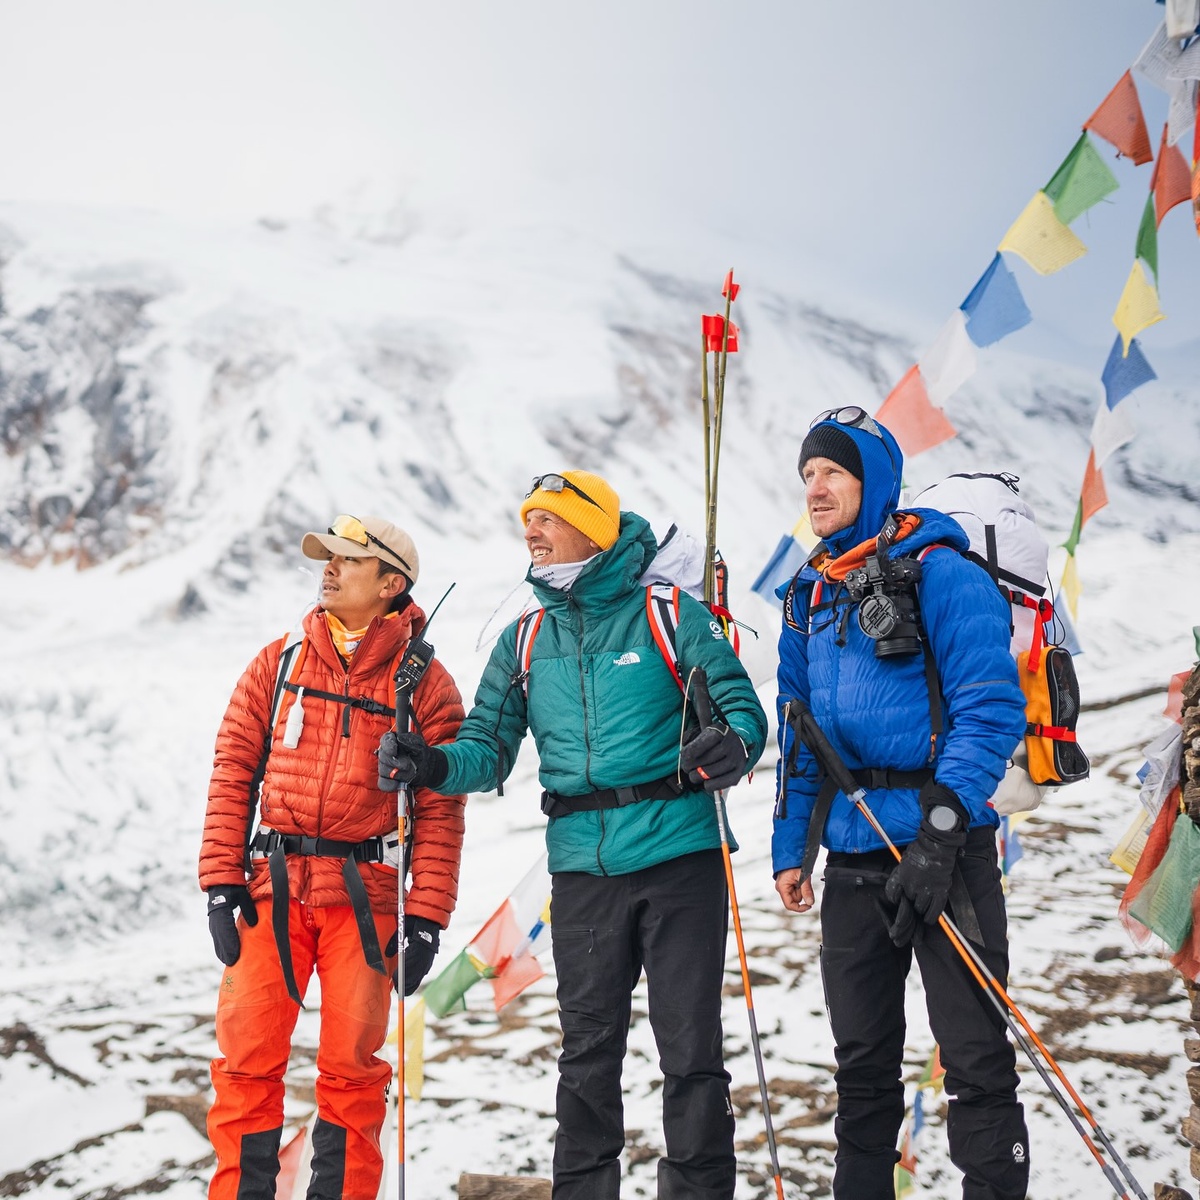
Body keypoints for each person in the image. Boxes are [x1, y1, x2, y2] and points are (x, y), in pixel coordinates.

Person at [379, 470, 768, 1200]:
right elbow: (487, 749)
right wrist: (430, 763)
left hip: (679, 856)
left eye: (549, 518)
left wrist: (732, 745)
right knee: (586, 1056)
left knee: (690, 1052)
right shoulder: (523, 639)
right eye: (527, 519)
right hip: (582, 872)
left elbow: (743, 710)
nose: (532, 530)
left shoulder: (669, 613)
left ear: (595, 529)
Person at [772, 409, 1030, 1200]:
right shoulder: (806, 597)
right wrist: (791, 851)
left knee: (976, 1057)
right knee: (864, 1068)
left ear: (873, 482)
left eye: (833, 473)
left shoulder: (946, 574)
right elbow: (800, 733)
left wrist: (940, 837)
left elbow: (991, 711)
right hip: (852, 858)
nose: (815, 487)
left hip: (945, 858)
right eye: (808, 473)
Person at [199, 514, 466, 1200]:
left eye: (348, 560)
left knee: (352, 1073)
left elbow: (441, 807)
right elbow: (233, 769)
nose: (329, 567)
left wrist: (426, 917)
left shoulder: (426, 686)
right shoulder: (279, 661)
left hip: (367, 900)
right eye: (328, 557)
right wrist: (222, 882)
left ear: (390, 584)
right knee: (245, 1066)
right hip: (271, 890)